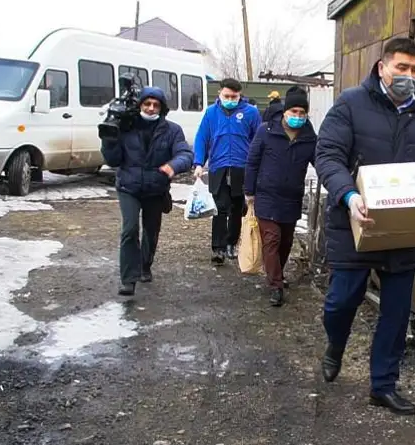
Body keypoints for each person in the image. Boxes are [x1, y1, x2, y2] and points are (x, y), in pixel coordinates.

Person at [314, 37, 415, 416]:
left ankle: (383, 385)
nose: (408, 76)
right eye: (401, 68)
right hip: (356, 223)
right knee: (341, 301)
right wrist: (348, 195)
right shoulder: (350, 105)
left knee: (396, 313)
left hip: (405, 229)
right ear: (382, 67)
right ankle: (335, 344)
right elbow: (327, 155)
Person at [100, 86, 193, 296]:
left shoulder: (172, 130)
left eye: (156, 105)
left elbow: (184, 153)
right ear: (140, 105)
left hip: (155, 188)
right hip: (129, 187)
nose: (151, 109)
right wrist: (109, 137)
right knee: (129, 229)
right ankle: (128, 279)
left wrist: (173, 166)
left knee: (151, 231)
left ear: (162, 108)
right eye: (147, 104)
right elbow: (112, 159)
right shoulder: (126, 127)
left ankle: (145, 265)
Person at [244, 86, 316, 307]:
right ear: (285, 112)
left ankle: (278, 273)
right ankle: (275, 285)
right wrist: (249, 192)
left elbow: (321, 163)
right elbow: (252, 161)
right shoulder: (266, 131)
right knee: (272, 239)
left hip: (292, 198)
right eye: (293, 111)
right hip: (267, 195)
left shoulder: (309, 138)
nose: (297, 116)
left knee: (286, 241)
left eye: (302, 113)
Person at [193, 78, 261, 264]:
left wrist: (258, 166)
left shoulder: (251, 113)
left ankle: (232, 242)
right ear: (220, 94)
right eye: (227, 96)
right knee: (220, 207)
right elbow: (202, 138)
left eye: (234, 96)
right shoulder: (211, 113)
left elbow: (258, 140)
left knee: (237, 208)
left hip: (242, 167)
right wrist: (199, 163)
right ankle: (218, 248)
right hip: (219, 167)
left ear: (240, 96)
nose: (230, 99)